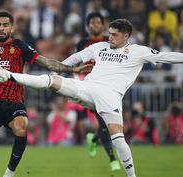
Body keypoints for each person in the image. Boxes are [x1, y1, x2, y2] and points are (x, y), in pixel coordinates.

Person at [0, 19, 183, 177]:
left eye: (115, 35)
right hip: (88, 88)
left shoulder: (139, 52)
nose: (110, 37)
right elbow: (76, 56)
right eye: (110, 33)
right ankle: (9, 75)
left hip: (110, 97)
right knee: (50, 80)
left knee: (118, 140)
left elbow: (168, 56)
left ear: (126, 36)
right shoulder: (100, 47)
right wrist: (59, 69)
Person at [0, 11, 89, 177]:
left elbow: (46, 62)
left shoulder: (19, 46)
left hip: (13, 99)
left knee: (22, 127)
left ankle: (8, 174)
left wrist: (72, 69)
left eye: (5, 25)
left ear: (11, 28)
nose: (1, 28)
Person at [76, 12, 120, 171]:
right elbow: (77, 63)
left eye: (98, 22)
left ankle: (93, 140)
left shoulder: (110, 42)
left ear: (103, 25)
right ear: (88, 26)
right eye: (92, 22)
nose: (95, 25)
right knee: (104, 122)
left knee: (106, 124)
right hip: (90, 87)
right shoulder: (82, 43)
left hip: (108, 86)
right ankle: (113, 160)